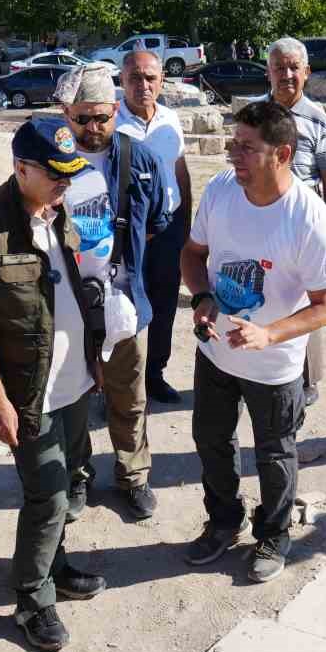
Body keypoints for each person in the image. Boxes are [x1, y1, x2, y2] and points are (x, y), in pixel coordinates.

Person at [0, 118, 107, 652]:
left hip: (73, 382)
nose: (65, 184)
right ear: (21, 169)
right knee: (48, 496)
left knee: (73, 477)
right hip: (28, 392)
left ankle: (54, 566)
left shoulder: (53, 213)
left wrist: (93, 361)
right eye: (55, 175)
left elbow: (73, 293)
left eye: (70, 174)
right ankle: (32, 600)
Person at [181, 101, 326, 582]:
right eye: (234, 144)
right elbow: (193, 254)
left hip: (274, 367)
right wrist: (203, 298)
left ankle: (273, 536)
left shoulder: (308, 219)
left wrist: (268, 333)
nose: (235, 155)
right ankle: (222, 523)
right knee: (211, 441)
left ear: (283, 154)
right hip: (215, 354)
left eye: (248, 148)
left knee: (274, 455)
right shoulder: (220, 191)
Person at [55, 66, 172, 520]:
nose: (92, 128)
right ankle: (77, 476)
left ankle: (133, 475)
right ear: (66, 114)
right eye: (81, 119)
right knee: (74, 397)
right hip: (68, 305)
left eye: (101, 118)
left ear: (115, 110)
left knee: (130, 397)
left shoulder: (139, 159)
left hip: (125, 300)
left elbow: (159, 220)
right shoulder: (53, 158)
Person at [253, 37, 326, 407]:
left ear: (307, 72)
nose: (287, 75)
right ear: (269, 72)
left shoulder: (319, 119)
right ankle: (254, 372)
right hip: (258, 223)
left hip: (302, 228)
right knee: (258, 297)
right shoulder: (255, 116)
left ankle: (307, 379)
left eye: (294, 68)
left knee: (307, 302)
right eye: (279, 67)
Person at [115, 50, 195, 404]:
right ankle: (118, 385)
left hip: (168, 230)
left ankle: (154, 376)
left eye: (150, 78)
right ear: (122, 81)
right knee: (123, 304)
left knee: (163, 303)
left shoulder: (170, 120)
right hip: (126, 229)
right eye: (134, 77)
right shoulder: (110, 122)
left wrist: (187, 227)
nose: (142, 85)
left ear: (161, 81)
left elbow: (180, 172)